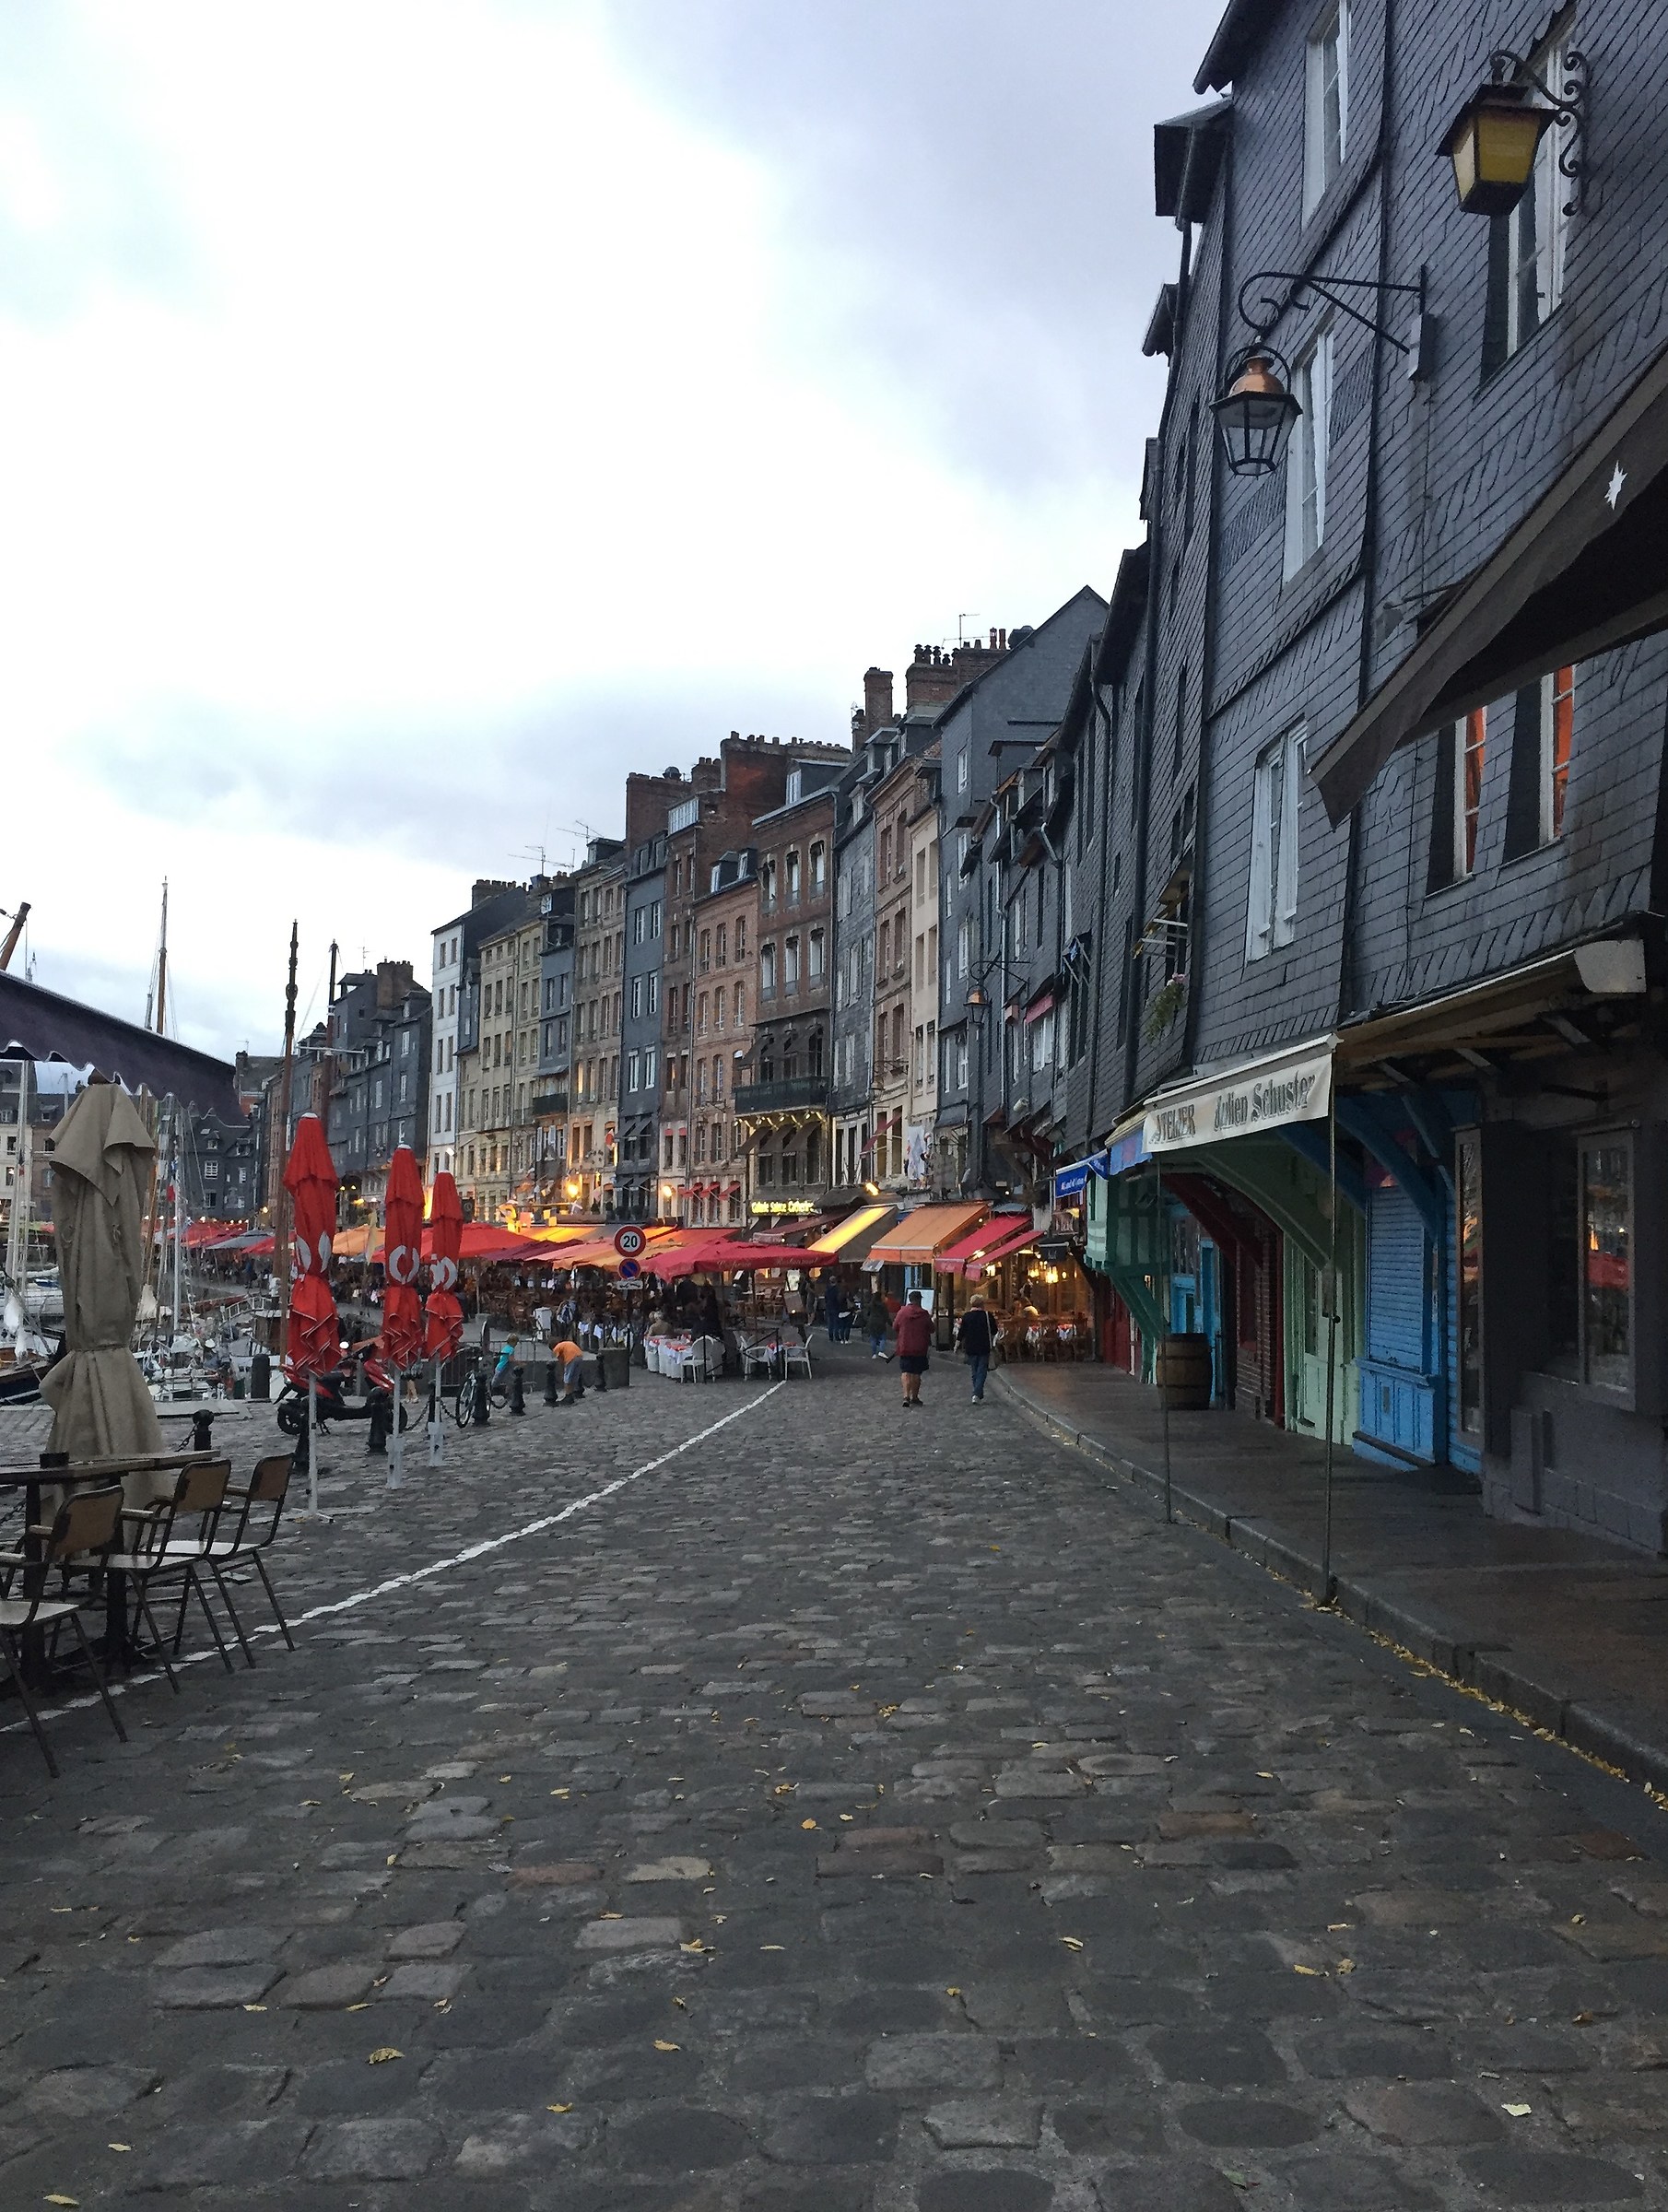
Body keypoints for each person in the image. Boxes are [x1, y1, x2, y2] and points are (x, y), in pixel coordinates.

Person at [893, 1288, 932, 1408]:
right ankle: (914, 1397)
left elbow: (895, 1326)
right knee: (916, 1373)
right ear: (919, 1300)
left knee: (905, 1371)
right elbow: (932, 1329)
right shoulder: (924, 1314)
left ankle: (906, 1396)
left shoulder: (902, 1312)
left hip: (905, 1346)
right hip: (920, 1347)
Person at [957, 1292, 995, 1405]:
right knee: (982, 1370)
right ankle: (977, 1393)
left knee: (974, 1370)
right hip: (984, 1346)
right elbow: (994, 1330)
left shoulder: (967, 1316)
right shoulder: (987, 1316)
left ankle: (977, 1392)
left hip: (971, 1346)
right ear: (982, 1304)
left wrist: (957, 1344)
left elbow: (962, 1332)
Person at [551, 1335, 586, 1405]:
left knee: (567, 1379)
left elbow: (561, 1361)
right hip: (580, 1356)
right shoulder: (566, 1343)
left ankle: (568, 1396)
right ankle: (572, 1394)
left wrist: (562, 1372)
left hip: (571, 1358)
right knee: (574, 1377)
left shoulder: (557, 1348)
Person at [863, 1288, 891, 1359]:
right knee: (883, 1338)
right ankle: (881, 1351)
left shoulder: (871, 1305)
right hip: (881, 1323)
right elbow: (886, 1316)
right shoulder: (883, 1305)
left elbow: (867, 1314)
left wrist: (868, 1320)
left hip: (872, 1322)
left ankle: (874, 1354)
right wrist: (891, 1324)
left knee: (873, 1338)